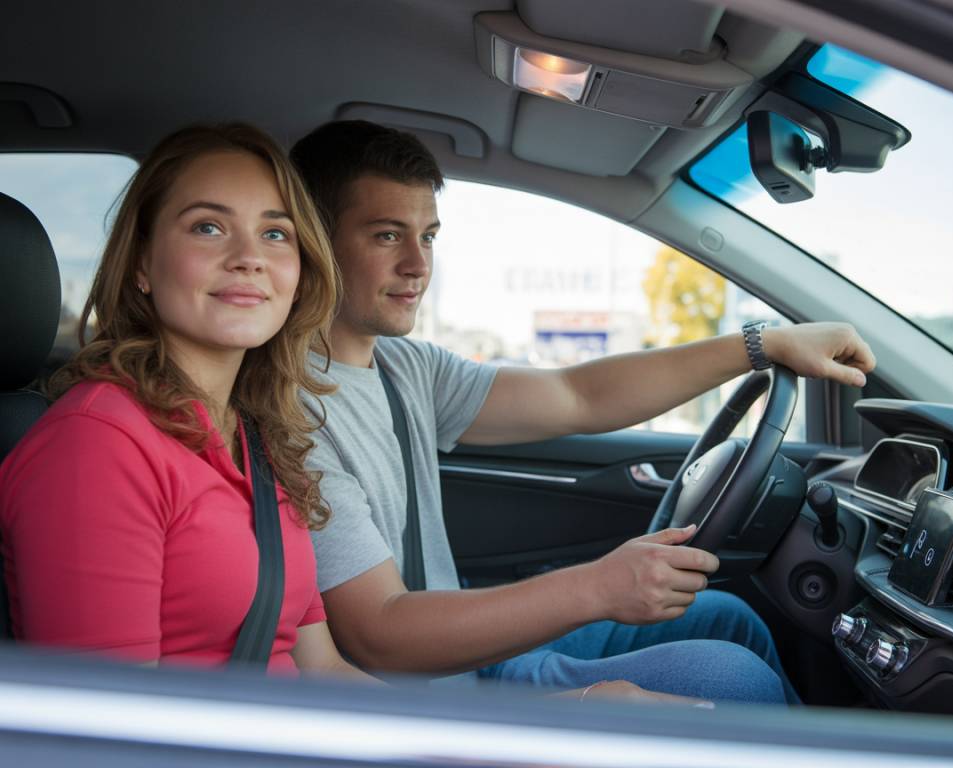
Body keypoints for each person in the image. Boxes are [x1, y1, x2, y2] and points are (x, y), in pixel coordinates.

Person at [289, 120, 876, 704]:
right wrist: (598, 587)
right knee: (733, 678)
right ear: (315, 240)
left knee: (729, 618)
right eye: (387, 236)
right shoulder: (293, 415)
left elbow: (580, 395)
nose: (418, 265)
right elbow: (380, 636)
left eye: (428, 237)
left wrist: (763, 345)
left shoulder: (404, 367)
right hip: (424, 696)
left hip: (466, 657)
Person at [0, 123, 372, 680]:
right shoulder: (96, 444)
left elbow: (321, 668)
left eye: (275, 233)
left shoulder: (256, 436)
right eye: (208, 227)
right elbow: (110, 719)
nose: (249, 257)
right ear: (141, 264)